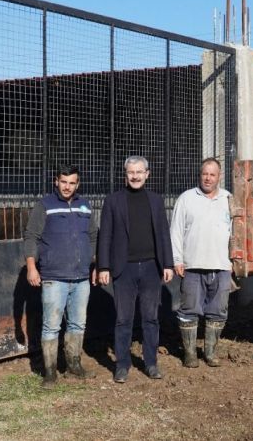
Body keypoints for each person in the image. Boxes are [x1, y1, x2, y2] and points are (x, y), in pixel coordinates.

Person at [97, 155, 174, 384]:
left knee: (151, 318)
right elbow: (105, 236)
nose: (135, 176)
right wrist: (104, 266)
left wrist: (167, 263)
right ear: (125, 174)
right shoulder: (113, 201)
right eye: (131, 172)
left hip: (151, 267)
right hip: (124, 269)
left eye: (140, 172)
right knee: (123, 319)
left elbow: (163, 234)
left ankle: (151, 363)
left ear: (147, 174)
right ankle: (122, 365)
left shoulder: (156, 200)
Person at [24, 164, 98, 388]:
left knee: (77, 324)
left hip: (81, 277)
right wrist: (31, 267)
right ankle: (50, 372)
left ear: (78, 184)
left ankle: (74, 365)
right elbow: (31, 236)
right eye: (63, 182)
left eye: (72, 182)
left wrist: (94, 264)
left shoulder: (85, 206)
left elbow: (93, 236)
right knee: (51, 325)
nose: (67, 187)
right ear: (56, 181)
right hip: (54, 277)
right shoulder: (45, 205)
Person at [171, 157, 232, 368]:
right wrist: (177, 259)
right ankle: (189, 354)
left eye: (212, 174)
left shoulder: (228, 199)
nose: (208, 178)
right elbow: (176, 231)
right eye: (204, 173)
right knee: (189, 310)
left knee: (219, 310)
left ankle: (210, 352)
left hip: (221, 265)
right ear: (200, 175)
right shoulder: (187, 198)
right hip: (193, 265)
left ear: (219, 176)